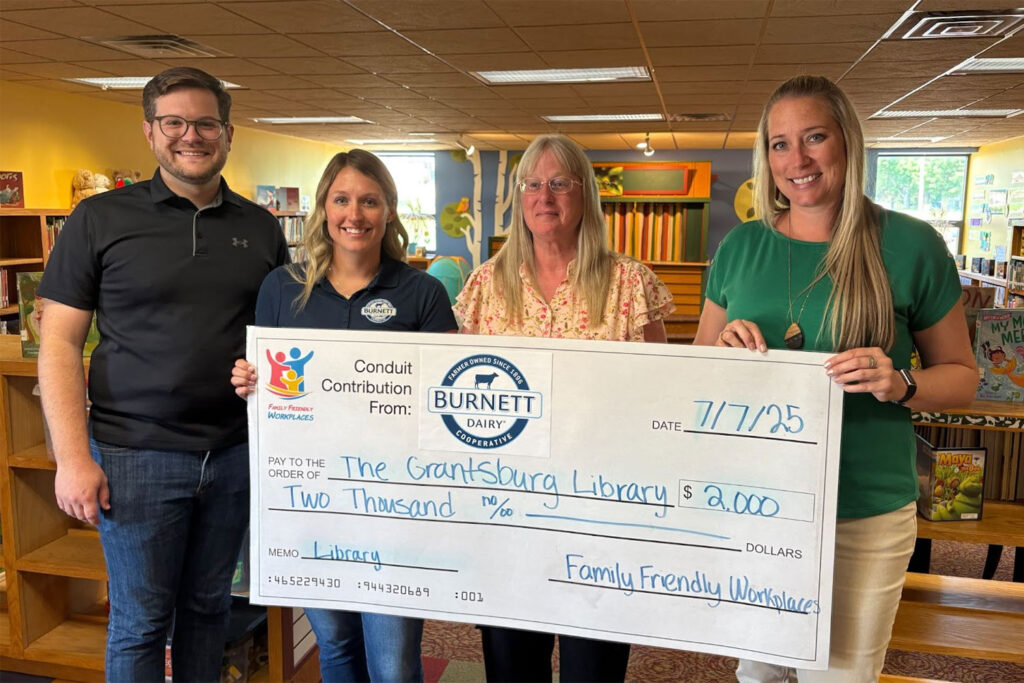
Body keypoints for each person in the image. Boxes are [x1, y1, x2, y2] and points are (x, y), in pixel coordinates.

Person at [693, 75, 977, 682]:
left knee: (841, 676)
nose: (797, 160)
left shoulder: (911, 245)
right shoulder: (740, 247)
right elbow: (698, 369)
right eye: (779, 144)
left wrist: (901, 383)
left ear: (847, 141)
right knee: (758, 675)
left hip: (864, 511)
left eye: (814, 137)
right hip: (758, 505)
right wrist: (723, 351)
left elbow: (963, 377)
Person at [37, 67, 290, 681]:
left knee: (209, 610)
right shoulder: (97, 218)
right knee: (141, 623)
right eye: (174, 122)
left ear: (228, 134)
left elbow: (278, 340)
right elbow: (59, 344)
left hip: (235, 452)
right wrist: (72, 459)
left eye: (205, 124)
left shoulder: (260, 227)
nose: (190, 136)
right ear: (150, 132)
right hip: (135, 456)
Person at [454, 134, 675, 682]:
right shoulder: (484, 285)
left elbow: (661, 400)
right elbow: (459, 402)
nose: (544, 197)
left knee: (592, 670)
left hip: (600, 518)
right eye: (532, 184)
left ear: (584, 195)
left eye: (559, 183)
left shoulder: (629, 283)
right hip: (508, 518)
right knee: (512, 668)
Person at [231, 149, 457, 682]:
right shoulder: (282, 288)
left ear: (389, 211)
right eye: (342, 200)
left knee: (393, 664)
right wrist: (248, 381)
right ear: (324, 209)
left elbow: (446, 401)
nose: (354, 214)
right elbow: (269, 385)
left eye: (369, 201)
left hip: (395, 507)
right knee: (335, 647)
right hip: (311, 502)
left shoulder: (422, 293)